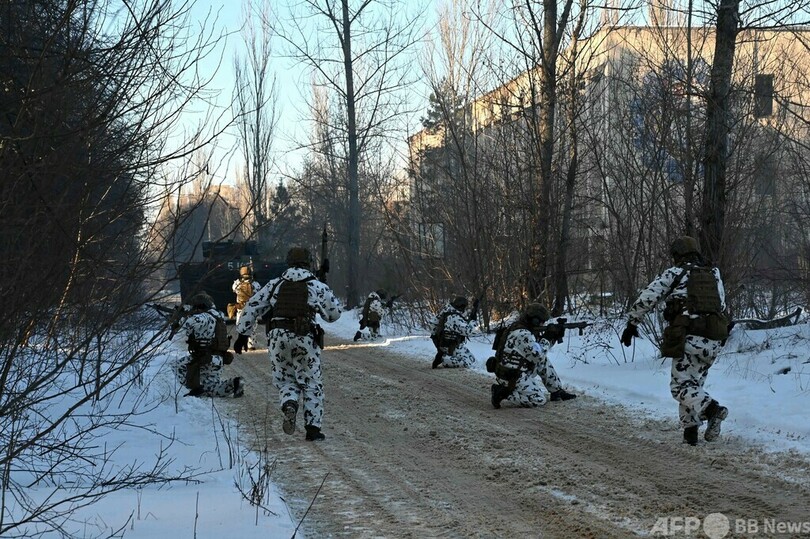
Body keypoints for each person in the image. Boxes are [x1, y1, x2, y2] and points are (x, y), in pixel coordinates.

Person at [621, 236, 729, 446]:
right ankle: (690, 434)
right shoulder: (714, 273)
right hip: (714, 338)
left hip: (689, 336)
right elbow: (721, 305)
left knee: (679, 388)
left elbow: (648, 297)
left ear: (678, 254)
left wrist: (632, 323)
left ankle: (712, 410)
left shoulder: (675, 273)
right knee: (692, 385)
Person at [234, 247, 342, 442]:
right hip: (304, 336)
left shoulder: (275, 283)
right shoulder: (315, 284)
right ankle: (313, 429)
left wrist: (243, 334)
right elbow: (333, 314)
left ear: (288, 263)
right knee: (311, 382)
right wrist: (323, 286)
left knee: (286, 379)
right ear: (308, 263)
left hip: (278, 336)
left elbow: (252, 306)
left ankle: (290, 403)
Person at [489, 303, 576, 408]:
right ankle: (502, 392)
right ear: (535, 320)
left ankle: (556, 391)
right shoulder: (522, 333)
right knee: (539, 400)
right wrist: (547, 338)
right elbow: (537, 356)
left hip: (517, 369)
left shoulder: (522, 329)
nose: (543, 324)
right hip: (511, 376)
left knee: (543, 361)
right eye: (542, 321)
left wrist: (553, 338)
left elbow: (538, 348)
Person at [173, 292, 243, 398]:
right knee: (211, 388)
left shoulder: (203, 317)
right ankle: (234, 384)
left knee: (176, 366)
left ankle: (191, 388)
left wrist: (178, 318)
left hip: (204, 357)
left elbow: (183, 326)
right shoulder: (218, 315)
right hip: (217, 359)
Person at [430, 296, 477, 369]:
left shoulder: (446, 311)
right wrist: (473, 320)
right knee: (467, 362)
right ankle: (445, 359)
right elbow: (470, 331)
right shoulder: (454, 317)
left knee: (472, 359)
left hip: (446, 344)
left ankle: (443, 354)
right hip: (451, 346)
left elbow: (433, 323)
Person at [230, 265, 261, 349]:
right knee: (252, 326)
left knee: (240, 325)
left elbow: (234, 290)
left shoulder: (237, 283)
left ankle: (241, 343)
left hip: (241, 308)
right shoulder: (255, 284)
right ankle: (251, 344)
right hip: (252, 308)